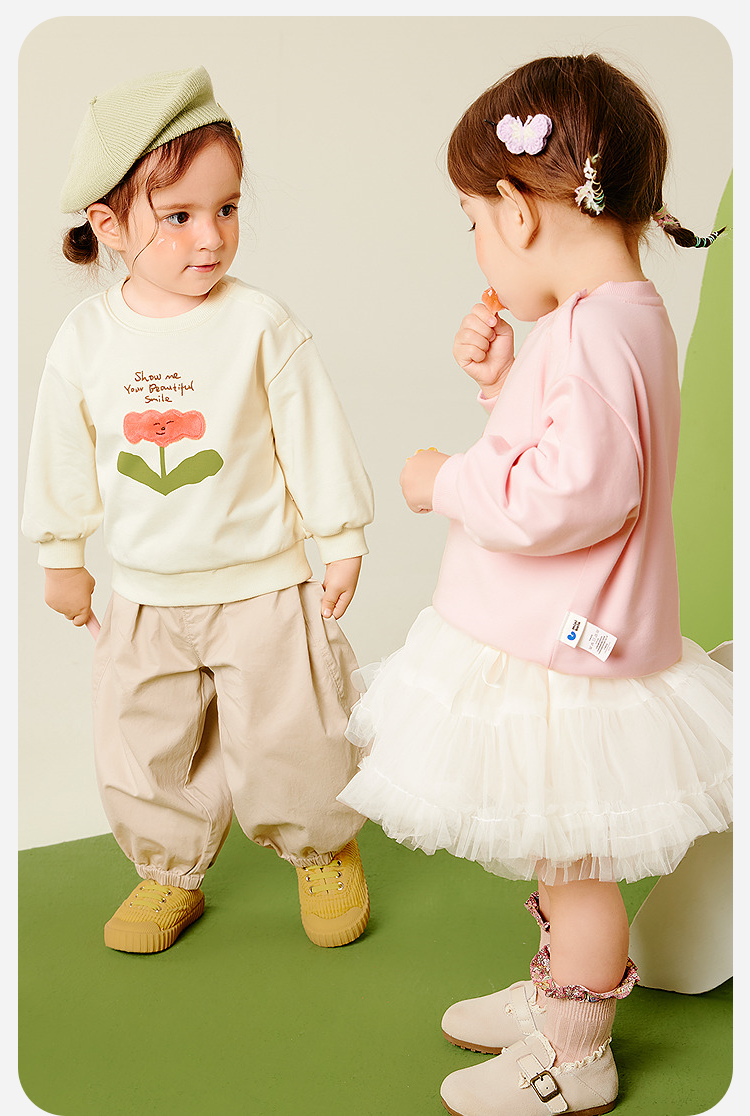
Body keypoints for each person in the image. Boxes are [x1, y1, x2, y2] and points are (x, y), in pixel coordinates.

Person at [337, 54, 732, 1114]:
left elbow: (574, 493)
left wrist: (444, 481)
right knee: (561, 851)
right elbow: (582, 447)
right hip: (570, 634)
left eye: (473, 220)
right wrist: (505, 381)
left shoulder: (599, 326)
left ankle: (576, 1049)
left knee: (575, 858)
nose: (478, 242)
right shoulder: (610, 316)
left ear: (518, 211)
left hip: (572, 645)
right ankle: (557, 991)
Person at [23, 66, 374, 954]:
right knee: (142, 743)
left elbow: (310, 431)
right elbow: (61, 451)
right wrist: (62, 555)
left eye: (227, 208)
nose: (211, 236)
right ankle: (166, 869)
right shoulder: (87, 339)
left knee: (292, 733)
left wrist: (340, 535)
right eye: (178, 216)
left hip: (262, 586)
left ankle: (321, 847)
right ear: (110, 225)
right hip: (145, 593)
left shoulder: (258, 323)